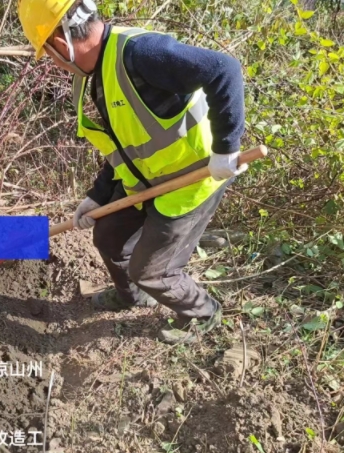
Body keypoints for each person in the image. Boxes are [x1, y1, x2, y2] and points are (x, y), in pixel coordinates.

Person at [18, 0, 247, 343]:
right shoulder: (93, 77)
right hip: (147, 181)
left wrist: (226, 148)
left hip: (193, 181)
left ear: (61, 44)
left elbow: (223, 69)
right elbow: (122, 146)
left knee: (151, 270)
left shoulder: (140, 54)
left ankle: (202, 312)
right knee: (109, 237)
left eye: (48, 55)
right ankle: (131, 296)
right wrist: (97, 196)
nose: (53, 64)